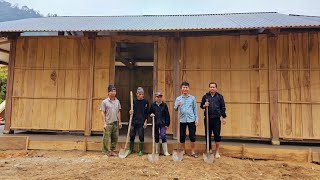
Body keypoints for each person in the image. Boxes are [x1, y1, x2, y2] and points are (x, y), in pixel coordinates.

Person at [200, 82, 226, 159]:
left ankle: (217, 151)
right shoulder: (205, 96)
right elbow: (201, 106)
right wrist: (205, 105)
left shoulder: (220, 97)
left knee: (217, 135)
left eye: (213, 87)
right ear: (209, 88)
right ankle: (209, 149)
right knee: (207, 134)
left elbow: (223, 108)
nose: (212, 88)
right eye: (211, 87)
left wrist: (224, 117)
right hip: (208, 119)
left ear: (216, 88)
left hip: (216, 119)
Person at [174, 81, 199, 158]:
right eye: (184, 87)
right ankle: (183, 150)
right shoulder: (178, 98)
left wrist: (196, 119)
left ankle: (193, 151)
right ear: (181, 89)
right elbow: (175, 109)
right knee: (182, 136)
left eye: (186, 87)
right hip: (182, 120)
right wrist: (177, 105)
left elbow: (195, 109)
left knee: (192, 136)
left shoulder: (192, 98)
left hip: (191, 119)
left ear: (189, 89)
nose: (185, 89)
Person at [100, 85, 122, 156]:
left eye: (115, 91)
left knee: (115, 138)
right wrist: (104, 123)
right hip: (108, 123)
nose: (113, 92)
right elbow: (102, 112)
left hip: (115, 122)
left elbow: (118, 111)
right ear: (108, 92)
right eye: (112, 91)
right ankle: (105, 151)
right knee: (106, 138)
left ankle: (112, 150)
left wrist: (120, 122)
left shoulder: (117, 101)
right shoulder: (105, 102)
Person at [128, 87, 149, 156]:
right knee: (132, 135)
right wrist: (130, 112)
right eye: (139, 94)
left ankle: (140, 150)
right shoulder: (133, 101)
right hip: (134, 121)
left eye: (142, 94)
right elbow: (130, 111)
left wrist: (145, 121)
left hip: (141, 121)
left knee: (141, 135)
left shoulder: (145, 102)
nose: (141, 95)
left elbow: (146, 113)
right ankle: (130, 149)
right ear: (136, 94)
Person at [149, 91, 170, 156]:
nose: (159, 98)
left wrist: (167, 124)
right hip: (155, 123)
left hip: (162, 123)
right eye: (157, 97)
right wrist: (151, 114)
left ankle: (165, 151)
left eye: (160, 97)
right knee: (156, 136)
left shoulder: (164, 105)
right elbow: (150, 112)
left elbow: (167, 115)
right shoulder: (153, 105)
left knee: (163, 135)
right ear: (155, 98)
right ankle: (157, 151)